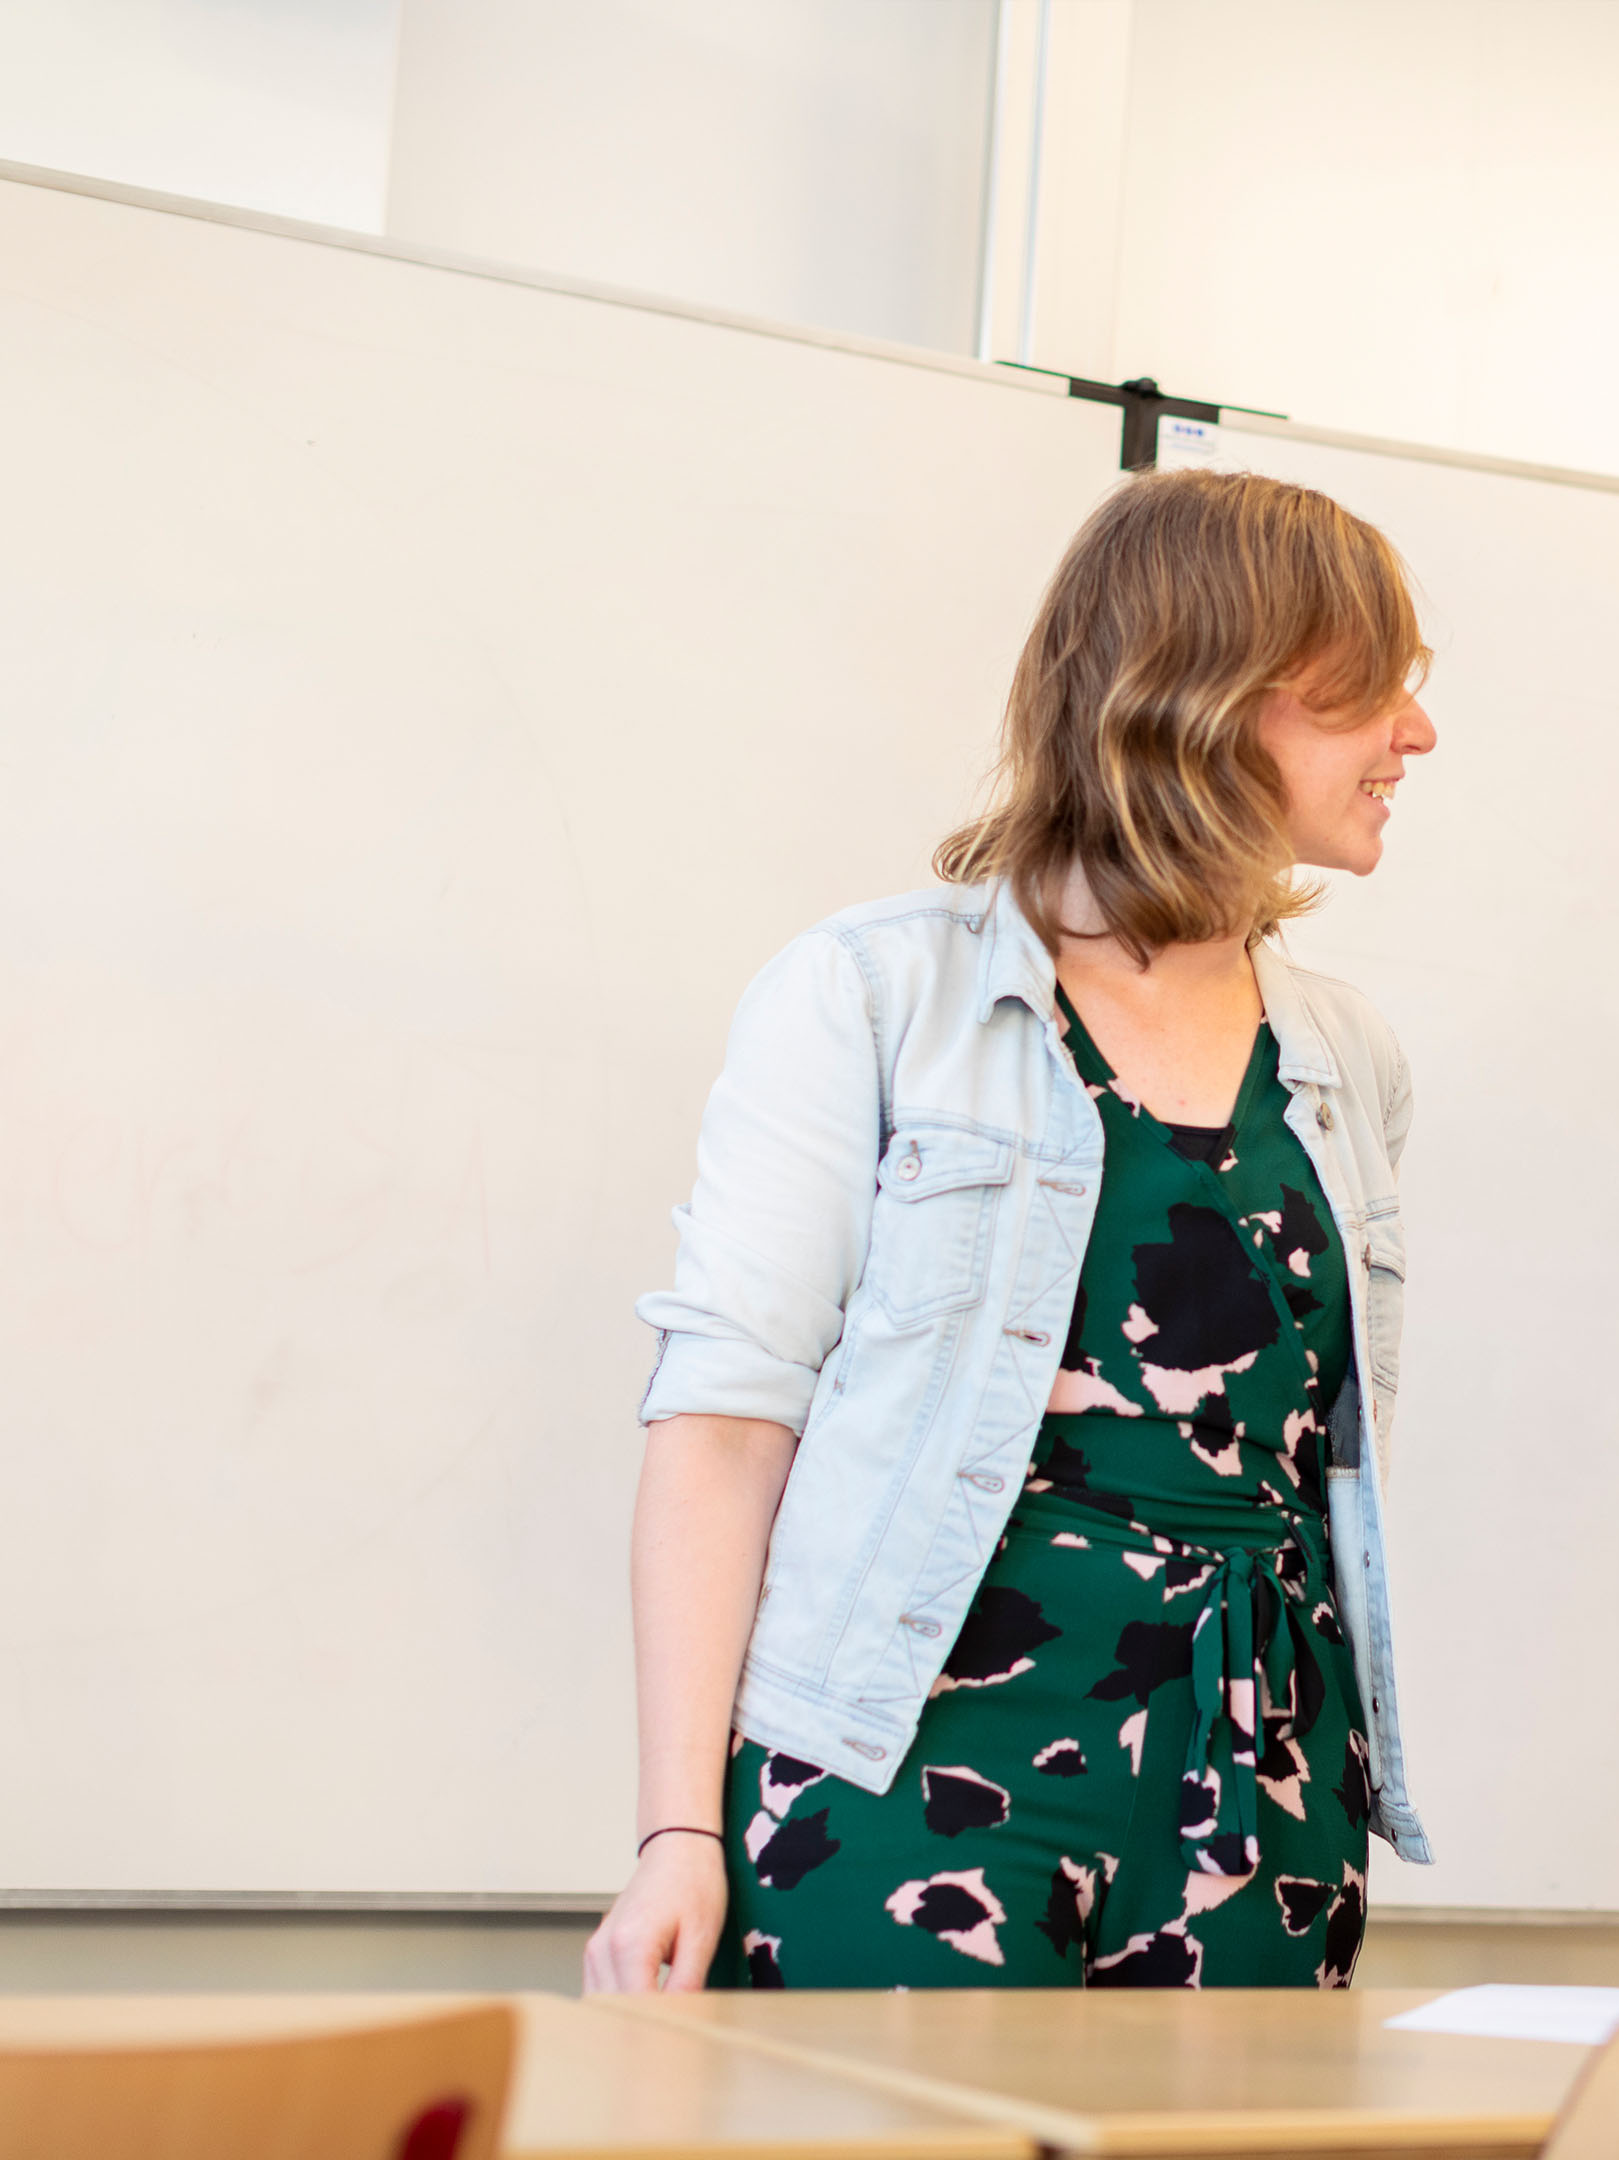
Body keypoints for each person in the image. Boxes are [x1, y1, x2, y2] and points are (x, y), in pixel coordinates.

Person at [584, 468, 1438, 1993]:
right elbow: (724, 1422)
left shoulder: (1346, 1059)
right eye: (1371, 692)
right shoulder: (873, 996)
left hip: (1267, 1801)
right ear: (1219, 694)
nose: (1414, 736)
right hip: (912, 1770)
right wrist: (675, 1835)